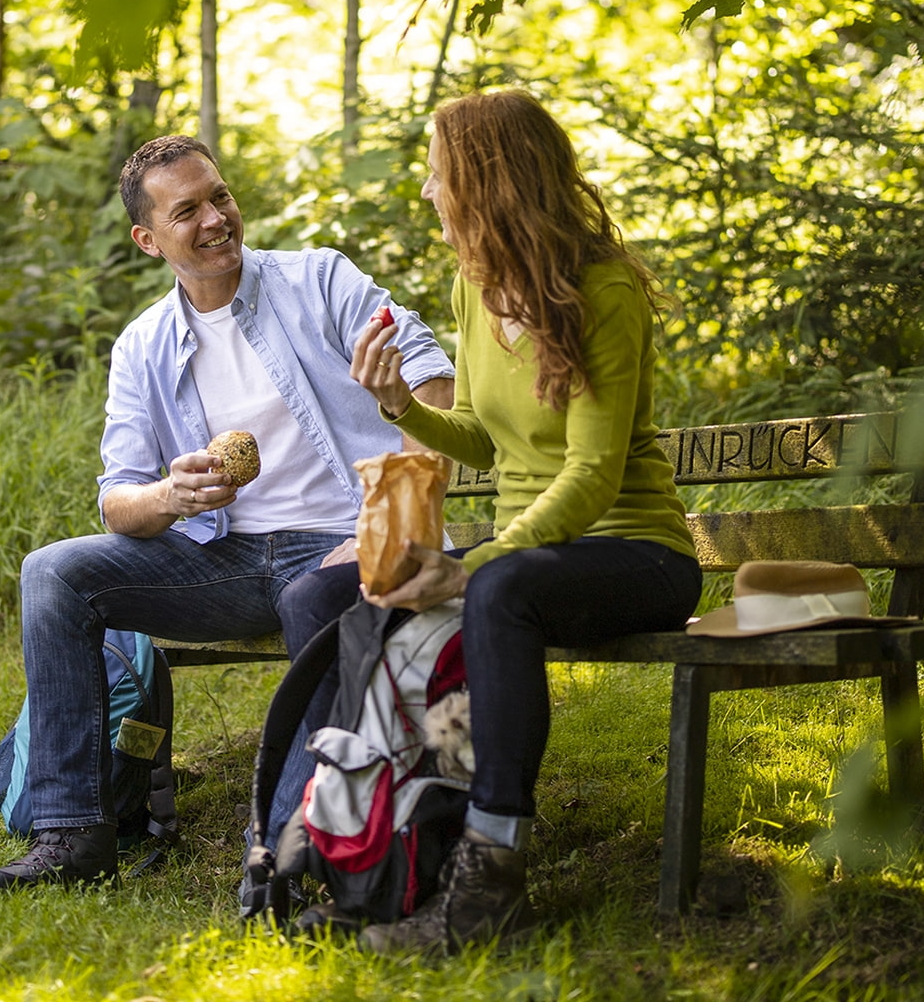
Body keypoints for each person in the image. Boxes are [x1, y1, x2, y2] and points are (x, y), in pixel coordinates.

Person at [283, 89, 702, 953]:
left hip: (635, 553)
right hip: (527, 560)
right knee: (328, 597)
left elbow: (592, 473)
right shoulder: (475, 288)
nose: (430, 192)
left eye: (439, 174)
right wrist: (397, 402)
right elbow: (476, 435)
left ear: (487, 181)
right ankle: (361, 848)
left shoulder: (605, 289)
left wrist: (478, 564)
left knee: (500, 588)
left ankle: (491, 878)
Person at [0, 135, 454, 891]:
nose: (215, 219)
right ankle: (73, 832)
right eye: (187, 210)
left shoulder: (320, 279)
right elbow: (117, 500)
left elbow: (429, 377)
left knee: (311, 600)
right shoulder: (142, 346)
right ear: (147, 238)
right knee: (53, 574)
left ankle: (294, 840)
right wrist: (173, 496)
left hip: (339, 544)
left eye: (220, 197)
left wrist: (387, 523)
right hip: (223, 559)